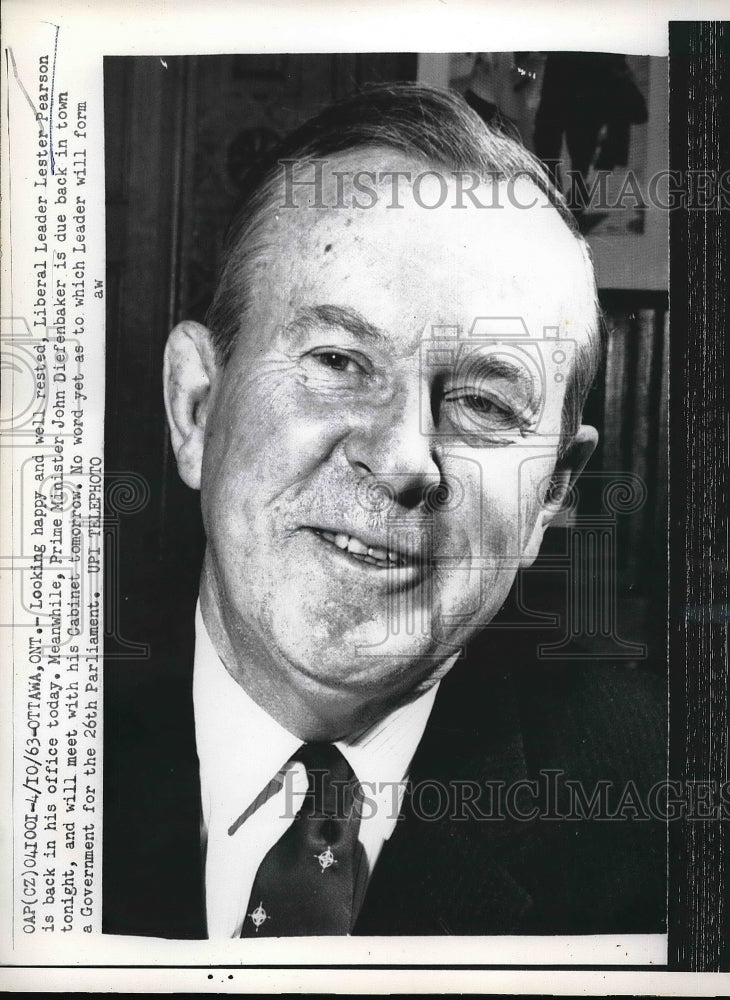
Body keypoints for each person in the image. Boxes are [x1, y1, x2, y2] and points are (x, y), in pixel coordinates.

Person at [103, 82, 665, 939]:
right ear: (197, 406)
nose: (403, 458)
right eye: (337, 359)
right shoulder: (33, 753)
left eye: (483, 402)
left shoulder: (679, 826)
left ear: (553, 489)